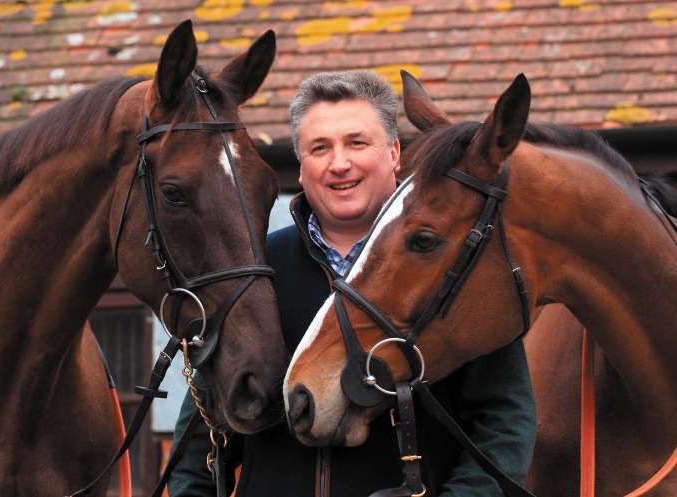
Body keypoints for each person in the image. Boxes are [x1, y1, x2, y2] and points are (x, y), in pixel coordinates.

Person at [168, 71, 536, 497]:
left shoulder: (455, 261)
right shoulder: (254, 272)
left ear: (395, 153)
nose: (339, 163)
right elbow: (202, 432)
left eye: (357, 143)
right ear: (301, 168)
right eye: (319, 148)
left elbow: (504, 421)